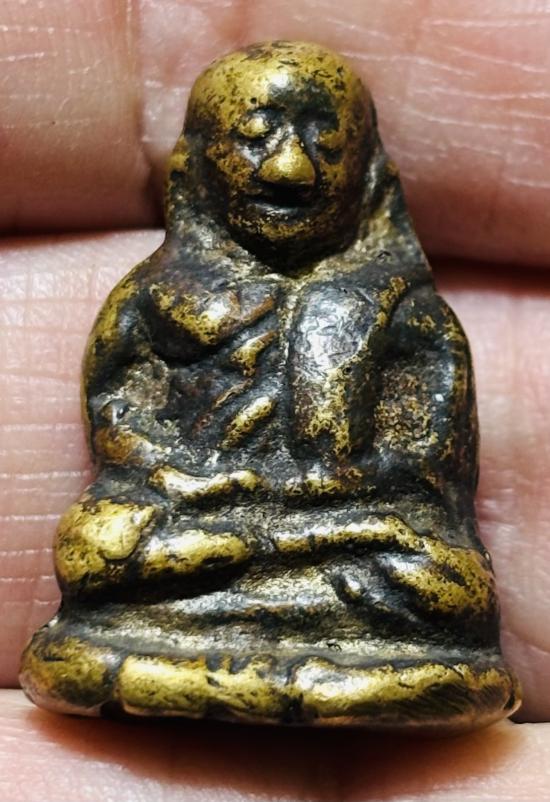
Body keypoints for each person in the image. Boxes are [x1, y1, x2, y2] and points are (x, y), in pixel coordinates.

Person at [2, 3, 550, 799]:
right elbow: (120, 417)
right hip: (199, 513)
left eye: (325, 141)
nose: (291, 170)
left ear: (367, 166)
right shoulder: (155, 296)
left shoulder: (406, 312)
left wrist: (343, 490)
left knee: (444, 580)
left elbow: (432, 460)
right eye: (256, 136)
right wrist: (181, 477)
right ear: (199, 161)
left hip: (354, 530)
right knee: (99, 546)